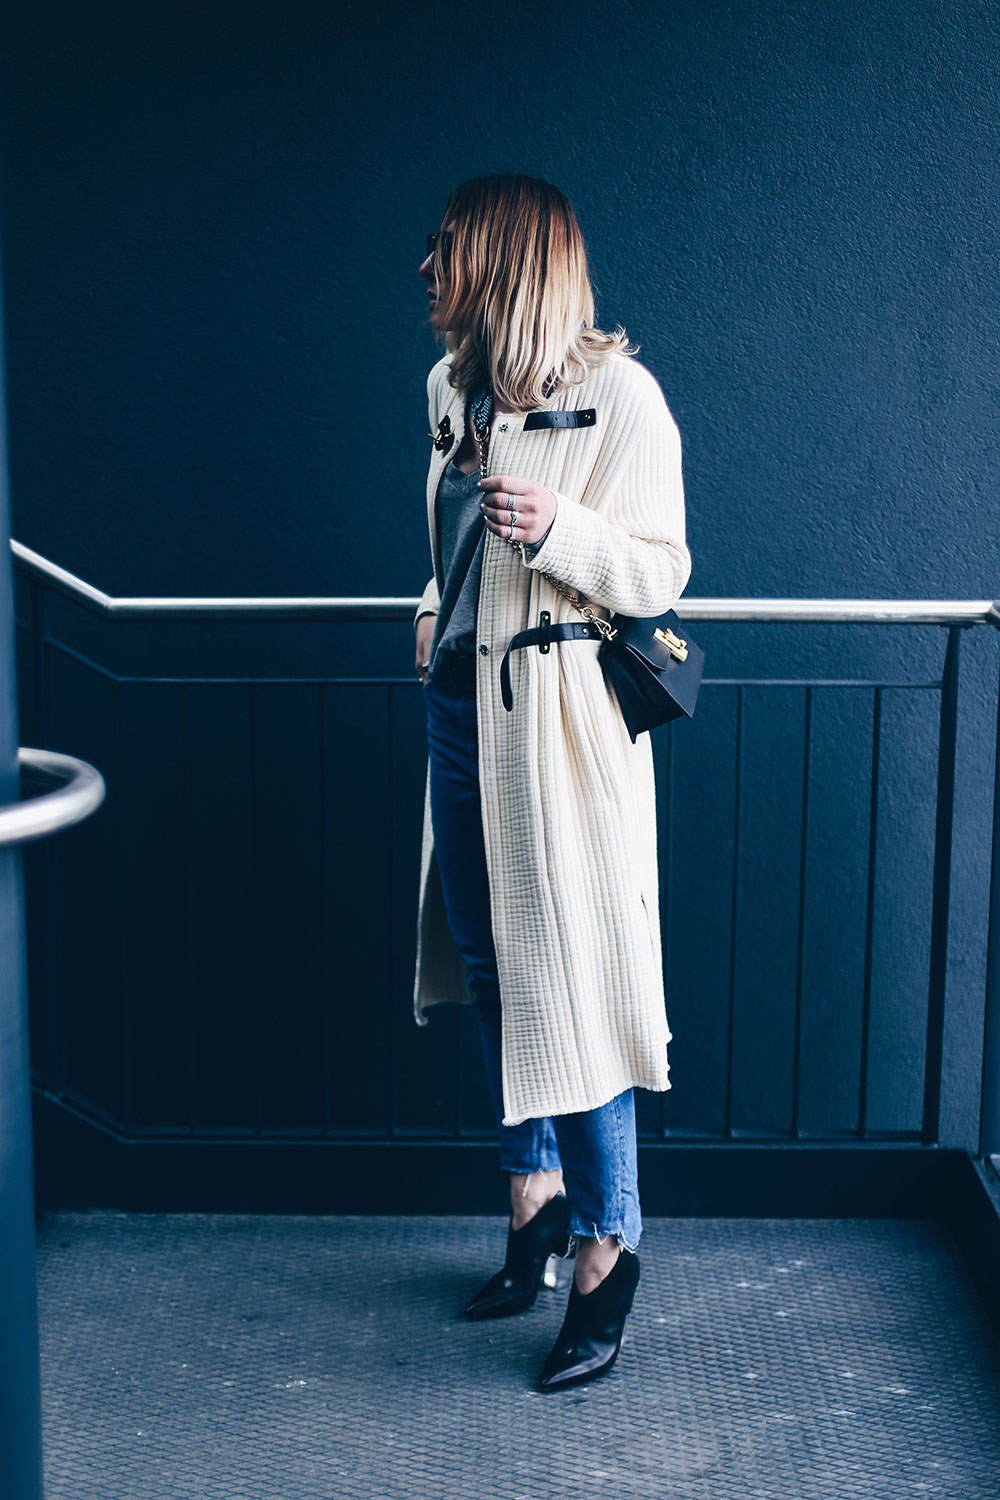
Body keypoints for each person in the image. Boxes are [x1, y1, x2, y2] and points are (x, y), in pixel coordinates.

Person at [412, 174, 691, 1393]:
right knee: (488, 967)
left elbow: (661, 570)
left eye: (449, 251)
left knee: (572, 980)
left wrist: (560, 527)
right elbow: (444, 545)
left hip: (559, 730)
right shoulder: (448, 389)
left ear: (508, 263)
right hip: (458, 714)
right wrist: (428, 608)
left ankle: (604, 1243)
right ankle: (530, 1200)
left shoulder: (619, 395)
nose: (428, 271)